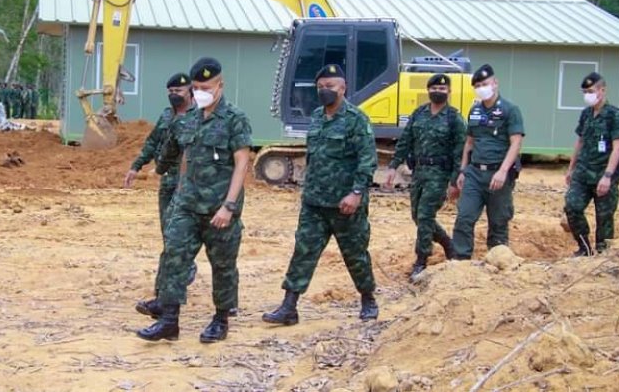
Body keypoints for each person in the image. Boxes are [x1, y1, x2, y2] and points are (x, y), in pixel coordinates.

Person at [137, 57, 252, 343]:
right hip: (187, 205)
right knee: (175, 257)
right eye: (196, 87)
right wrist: (178, 192)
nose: (200, 91)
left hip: (219, 208)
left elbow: (242, 164)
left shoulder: (234, 119)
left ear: (220, 85)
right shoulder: (188, 120)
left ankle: (220, 319)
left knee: (222, 265)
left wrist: (229, 205)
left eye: (206, 86)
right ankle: (169, 321)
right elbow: (183, 156)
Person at [263, 64, 378, 326]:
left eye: (331, 86)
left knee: (355, 254)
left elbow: (367, 160)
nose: (325, 91)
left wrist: (356, 193)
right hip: (315, 202)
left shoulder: (356, 119)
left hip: (345, 204)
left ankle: (368, 299)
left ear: (343, 88)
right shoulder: (315, 116)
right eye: (321, 87)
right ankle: (289, 307)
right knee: (303, 252)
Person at [124, 73, 197, 318]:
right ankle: (166, 289)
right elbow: (153, 142)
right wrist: (136, 166)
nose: (174, 95)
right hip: (167, 183)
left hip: (189, 186)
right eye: (170, 91)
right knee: (168, 236)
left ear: (190, 91)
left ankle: (165, 295)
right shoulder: (167, 115)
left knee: (178, 239)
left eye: (178, 90)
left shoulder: (200, 117)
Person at [385, 73, 465, 282]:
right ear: (428, 91)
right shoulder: (419, 113)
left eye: (442, 89)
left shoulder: (453, 118)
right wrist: (393, 166)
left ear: (449, 92)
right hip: (419, 173)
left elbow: (460, 151)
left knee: (426, 215)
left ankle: (421, 260)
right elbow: (405, 141)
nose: (438, 92)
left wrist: (455, 181)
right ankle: (448, 244)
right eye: (434, 89)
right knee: (417, 216)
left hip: (440, 174)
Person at [452, 64, 524, 259]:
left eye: (485, 83)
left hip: (498, 174)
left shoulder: (510, 110)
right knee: (464, 217)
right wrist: (462, 170)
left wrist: (502, 171)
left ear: (495, 83)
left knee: (498, 222)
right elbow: (469, 143)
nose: (482, 88)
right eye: (478, 85)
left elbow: (516, 143)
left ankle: (497, 261)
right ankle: (460, 260)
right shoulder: (475, 110)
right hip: (474, 173)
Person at [564, 72, 619, 256]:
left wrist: (607, 176)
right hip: (583, 173)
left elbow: (618, 148)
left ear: (602, 90)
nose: (587, 95)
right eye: (585, 91)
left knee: (604, 217)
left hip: (604, 174)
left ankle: (603, 253)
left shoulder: (615, 115)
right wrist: (571, 168)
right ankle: (584, 248)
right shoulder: (586, 114)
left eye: (591, 91)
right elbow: (580, 141)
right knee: (572, 207)